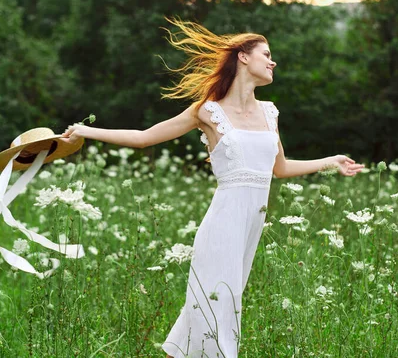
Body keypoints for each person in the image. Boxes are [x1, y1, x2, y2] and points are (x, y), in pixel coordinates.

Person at [61, 18, 365, 358]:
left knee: (206, 317)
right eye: (266, 54)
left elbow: (280, 168)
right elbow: (144, 138)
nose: (273, 61)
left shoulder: (270, 113)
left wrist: (331, 162)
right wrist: (86, 131)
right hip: (221, 228)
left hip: (249, 231)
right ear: (243, 58)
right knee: (220, 313)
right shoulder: (207, 111)